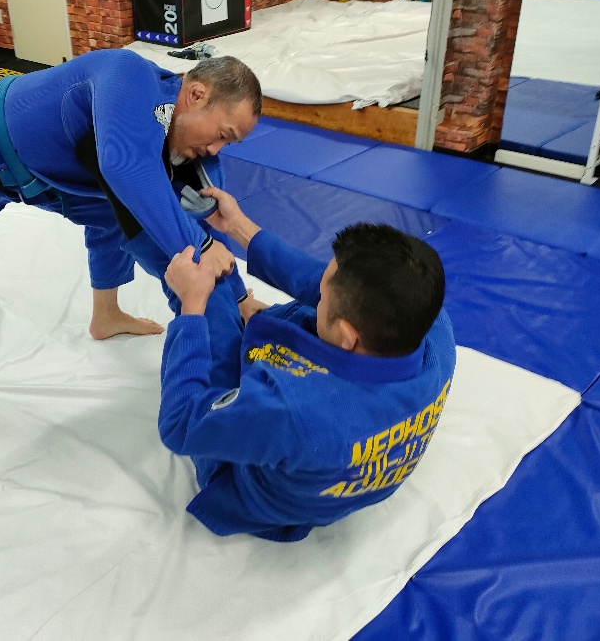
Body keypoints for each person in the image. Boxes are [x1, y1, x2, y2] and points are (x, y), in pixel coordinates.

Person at [0, 50, 264, 453]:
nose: (216, 150)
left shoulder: (189, 143)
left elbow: (205, 219)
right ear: (196, 95)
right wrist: (202, 247)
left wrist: (240, 299)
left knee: (128, 219)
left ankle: (107, 316)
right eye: (222, 135)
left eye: (229, 145)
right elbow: (124, 166)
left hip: (48, 175)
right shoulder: (129, 74)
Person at [158, 187, 456, 542]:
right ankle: (255, 312)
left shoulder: (293, 410)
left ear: (347, 337)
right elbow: (322, 284)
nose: (318, 294)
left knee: (210, 286)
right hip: (328, 450)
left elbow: (180, 424)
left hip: (256, 484)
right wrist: (238, 226)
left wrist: (191, 307)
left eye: (323, 296)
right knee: (327, 309)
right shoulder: (434, 329)